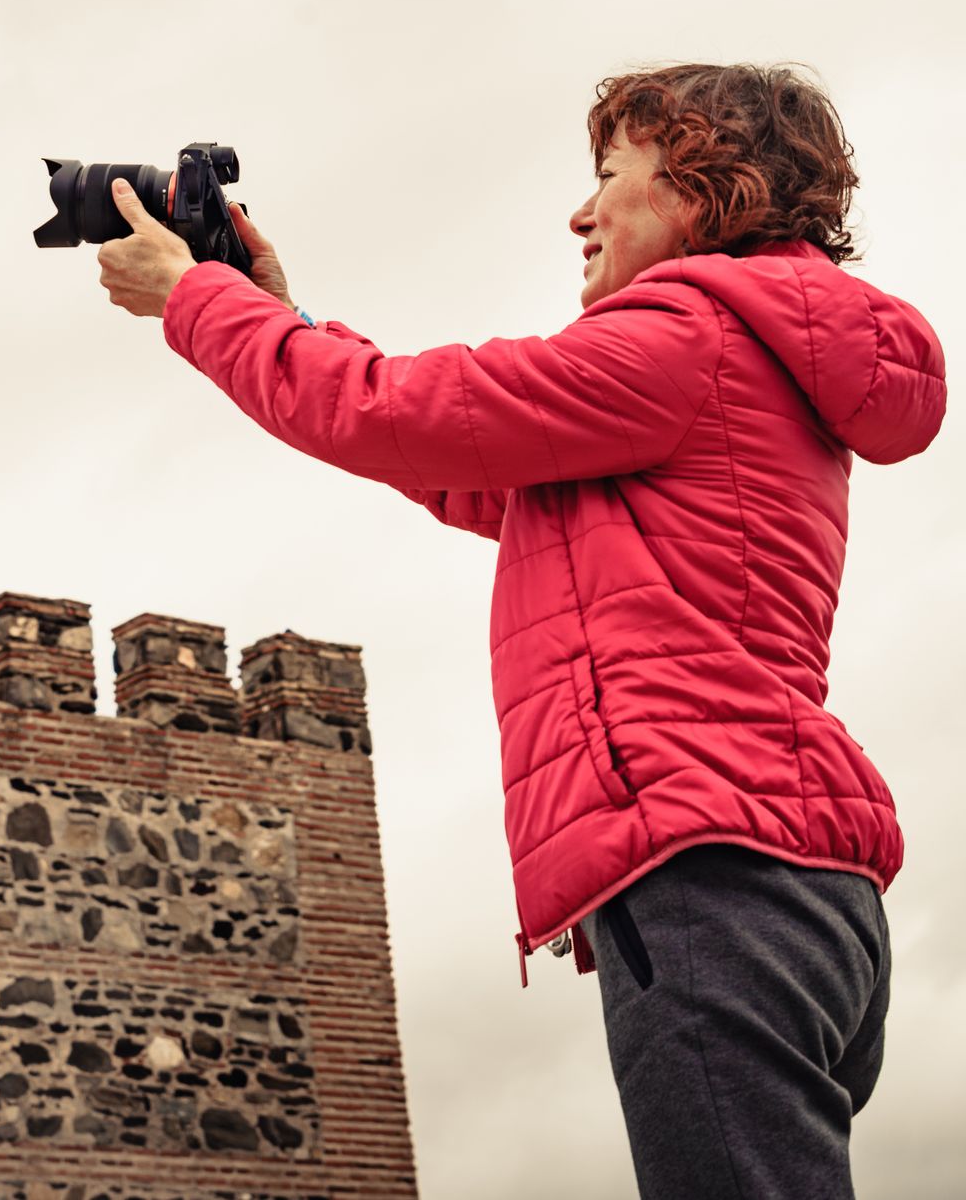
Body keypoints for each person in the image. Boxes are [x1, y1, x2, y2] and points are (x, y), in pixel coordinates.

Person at [94, 62, 945, 1199]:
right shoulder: (750, 365)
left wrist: (196, 304)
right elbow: (467, 468)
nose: (579, 211)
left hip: (712, 878)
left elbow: (392, 410)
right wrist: (279, 311)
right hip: (791, 883)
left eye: (608, 175)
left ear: (699, 191)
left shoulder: (684, 337)